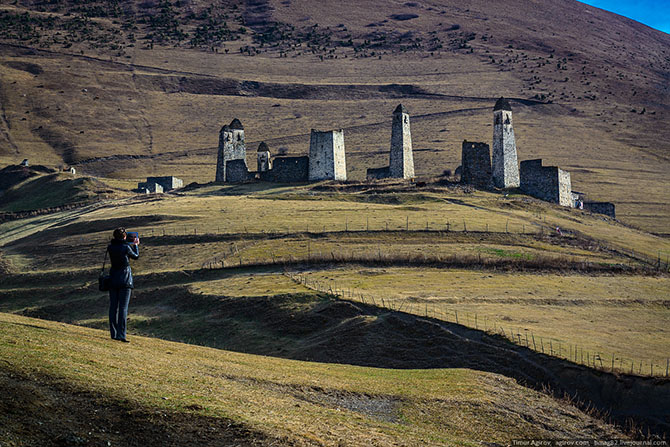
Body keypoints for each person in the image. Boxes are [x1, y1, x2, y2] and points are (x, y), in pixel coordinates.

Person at [107, 227, 139, 343]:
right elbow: (135, 256)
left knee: (113, 307)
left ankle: (114, 333)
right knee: (123, 308)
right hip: (125, 280)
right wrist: (135, 245)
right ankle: (122, 334)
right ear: (124, 236)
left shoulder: (110, 247)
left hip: (113, 279)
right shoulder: (126, 247)